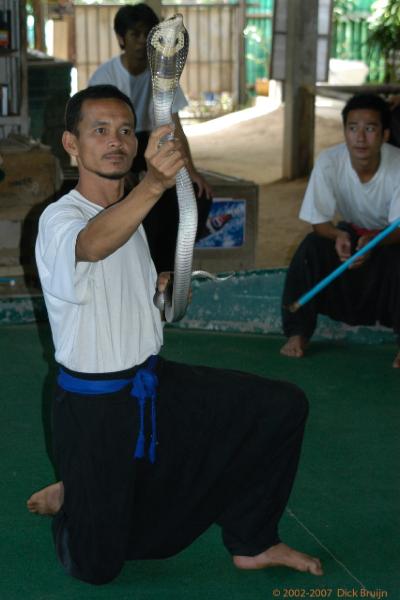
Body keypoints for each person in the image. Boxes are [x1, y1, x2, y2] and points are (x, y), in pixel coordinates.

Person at [27, 85, 323, 585]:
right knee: (97, 567)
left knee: (279, 406)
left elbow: (117, 288)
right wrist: (153, 185)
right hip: (95, 407)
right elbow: (91, 246)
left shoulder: (135, 220)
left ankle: (255, 541)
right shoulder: (60, 218)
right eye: (99, 131)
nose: (115, 141)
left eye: (124, 130)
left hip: (151, 382)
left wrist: (159, 293)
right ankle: (76, 488)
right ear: (71, 145)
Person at [88, 3, 212, 272]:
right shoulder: (104, 77)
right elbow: (97, 136)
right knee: (142, 205)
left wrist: (191, 171)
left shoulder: (163, 76)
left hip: (154, 143)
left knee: (196, 196)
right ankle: (141, 268)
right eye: (135, 34)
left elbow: (174, 128)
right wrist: (122, 173)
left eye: (147, 34)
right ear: (121, 38)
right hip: (118, 145)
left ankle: (167, 270)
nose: (142, 40)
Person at [280, 93, 400, 367]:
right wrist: (339, 236)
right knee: (311, 248)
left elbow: (397, 228)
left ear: (384, 135)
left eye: (370, 129)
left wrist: (372, 243)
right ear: (344, 131)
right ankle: (298, 333)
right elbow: (319, 222)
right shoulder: (329, 162)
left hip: (390, 238)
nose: (360, 137)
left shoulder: (398, 165)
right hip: (353, 234)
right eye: (353, 128)